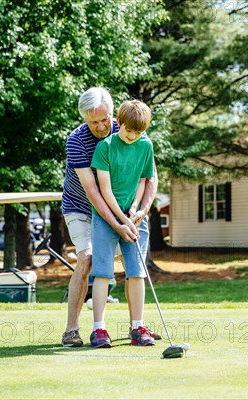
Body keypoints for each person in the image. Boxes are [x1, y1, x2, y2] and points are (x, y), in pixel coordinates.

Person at [61, 88, 158, 347]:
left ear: (113, 114)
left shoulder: (130, 126)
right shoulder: (77, 141)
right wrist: (118, 223)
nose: (101, 126)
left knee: (133, 266)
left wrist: (140, 211)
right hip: (82, 208)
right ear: (84, 120)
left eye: (105, 120)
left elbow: (149, 178)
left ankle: (137, 326)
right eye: (93, 122)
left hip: (126, 209)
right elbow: (94, 192)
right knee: (87, 258)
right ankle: (73, 329)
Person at [89, 99, 156, 348]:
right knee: (103, 272)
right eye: (129, 131)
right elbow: (104, 190)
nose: (133, 136)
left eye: (138, 132)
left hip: (135, 217)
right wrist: (121, 218)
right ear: (120, 123)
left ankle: (137, 326)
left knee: (137, 272)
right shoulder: (104, 147)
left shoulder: (145, 145)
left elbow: (143, 179)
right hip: (106, 218)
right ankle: (99, 329)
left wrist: (136, 209)